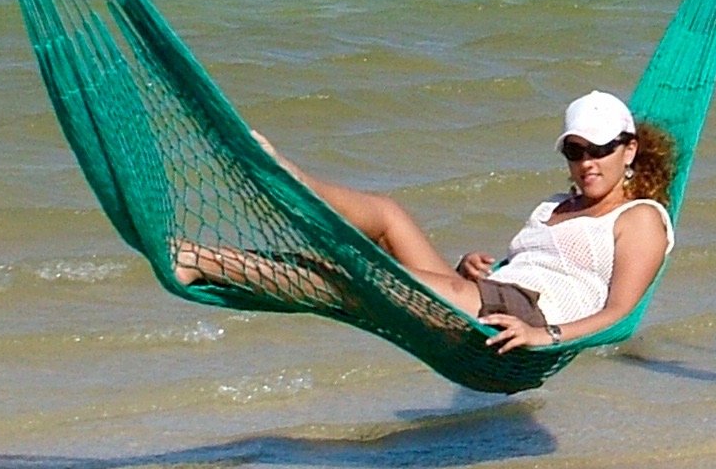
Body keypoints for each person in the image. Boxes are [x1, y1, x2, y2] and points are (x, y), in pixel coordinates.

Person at [173, 91, 674, 352]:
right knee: (389, 216)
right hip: (488, 296)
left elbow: (620, 313)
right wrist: (471, 268)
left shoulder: (641, 218)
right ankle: (288, 179)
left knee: (354, 278)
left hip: (525, 318)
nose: (587, 163)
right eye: (575, 151)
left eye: (600, 150)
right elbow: (518, 271)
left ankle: (201, 260)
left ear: (629, 150)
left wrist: (548, 337)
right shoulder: (554, 204)